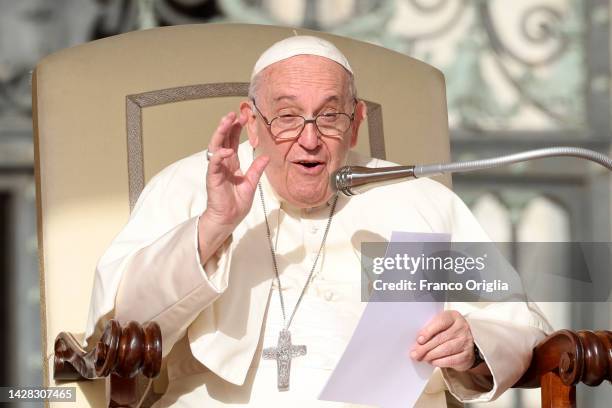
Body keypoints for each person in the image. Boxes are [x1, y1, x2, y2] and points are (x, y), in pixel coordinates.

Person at [85, 35, 551, 407]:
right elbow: (121, 322)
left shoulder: (419, 199)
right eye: (287, 117)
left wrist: (472, 344)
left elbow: (518, 321)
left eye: (330, 116)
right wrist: (212, 227)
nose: (309, 140)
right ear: (251, 120)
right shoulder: (191, 184)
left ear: (356, 123)